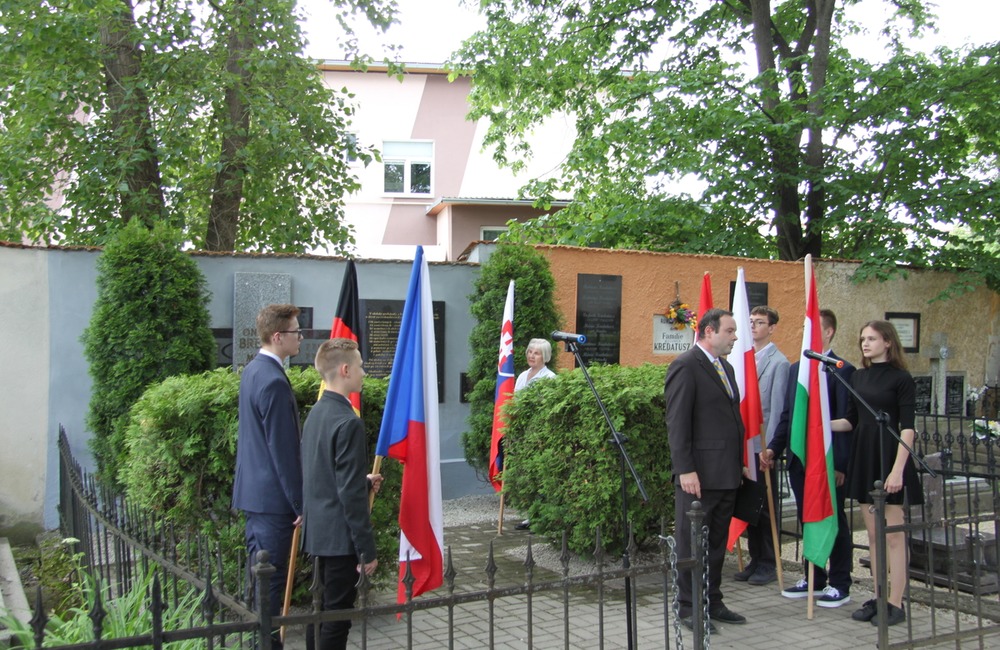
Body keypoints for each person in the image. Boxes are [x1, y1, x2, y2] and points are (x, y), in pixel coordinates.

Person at [762, 309, 855, 608]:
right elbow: (789, 416)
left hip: (828, 462)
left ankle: (840, 581)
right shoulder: (796, 369)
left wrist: (840, 464)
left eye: (812, 330)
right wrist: (775, 448)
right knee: (807, 518)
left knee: (833, 518)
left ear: (827, 333)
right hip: (801, 460)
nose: (806, 335)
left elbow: (846, 419)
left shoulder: (842, 369)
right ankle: (813, 577)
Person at [834, 320, 922, 627]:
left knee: (894, 536)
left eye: (871, 338)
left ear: (887, 342)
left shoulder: (902, 378)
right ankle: (879, 595)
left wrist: (898, 470)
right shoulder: (857, 376)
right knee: (873, 534)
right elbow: (850, 421)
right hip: (864, 454)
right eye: (862, 339)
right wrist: (817, 425)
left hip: (890, 455)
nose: (865, 344)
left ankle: (896, 603)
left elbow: (907, 428)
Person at [665, 308, 747, 629]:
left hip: (725, 473)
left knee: (716, 543)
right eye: (730, 331)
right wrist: (685, 469)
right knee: (691, 542)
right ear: (709, 332)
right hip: (697, 475)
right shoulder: (686, 365)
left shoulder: (725, 367)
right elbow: (677, 421)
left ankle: (712, 600)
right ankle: (688, 606)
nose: (735, 337)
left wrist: (738, 463)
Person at [232, 304, 304, 648]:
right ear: (278, 336)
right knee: (270, 588)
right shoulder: (273, 380)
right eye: (295, 332)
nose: (301, 337)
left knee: (260, 583)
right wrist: (299, 502)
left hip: (255, 495)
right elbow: (283, 450)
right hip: (274, 503)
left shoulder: (253, 370)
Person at [302, 338, 381, 650]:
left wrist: (362, 481)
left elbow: (323, 475)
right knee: (337, 619)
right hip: (339, 540)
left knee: (318, 612)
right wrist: (366, 549)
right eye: (360, 366)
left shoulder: (317, 414)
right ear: (345, 370)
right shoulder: (348, 422)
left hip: (318, 534)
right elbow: (348, 494)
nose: (363, 373)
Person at [735, 306, 789, 586]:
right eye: (751, 322)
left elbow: (778, 410)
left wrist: (772, 449)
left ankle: (768, 561)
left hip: (763, 446)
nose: (754, 326)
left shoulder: (778, 363)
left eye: (760, 322)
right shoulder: (743, 359)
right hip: (744, 446)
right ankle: (755, 559)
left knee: (766, 507)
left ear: (772, 327)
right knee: (749, 505)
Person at [514, 338, 556, 530]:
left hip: (539, 433)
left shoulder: (550, 378)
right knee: (526, 475)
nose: (531, 355)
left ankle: (542, 517)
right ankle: (530, 515)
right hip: (523, 432)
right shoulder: (523, 375)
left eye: (536, 353)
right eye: (530, 351)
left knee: (539, 475)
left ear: (545, 356)